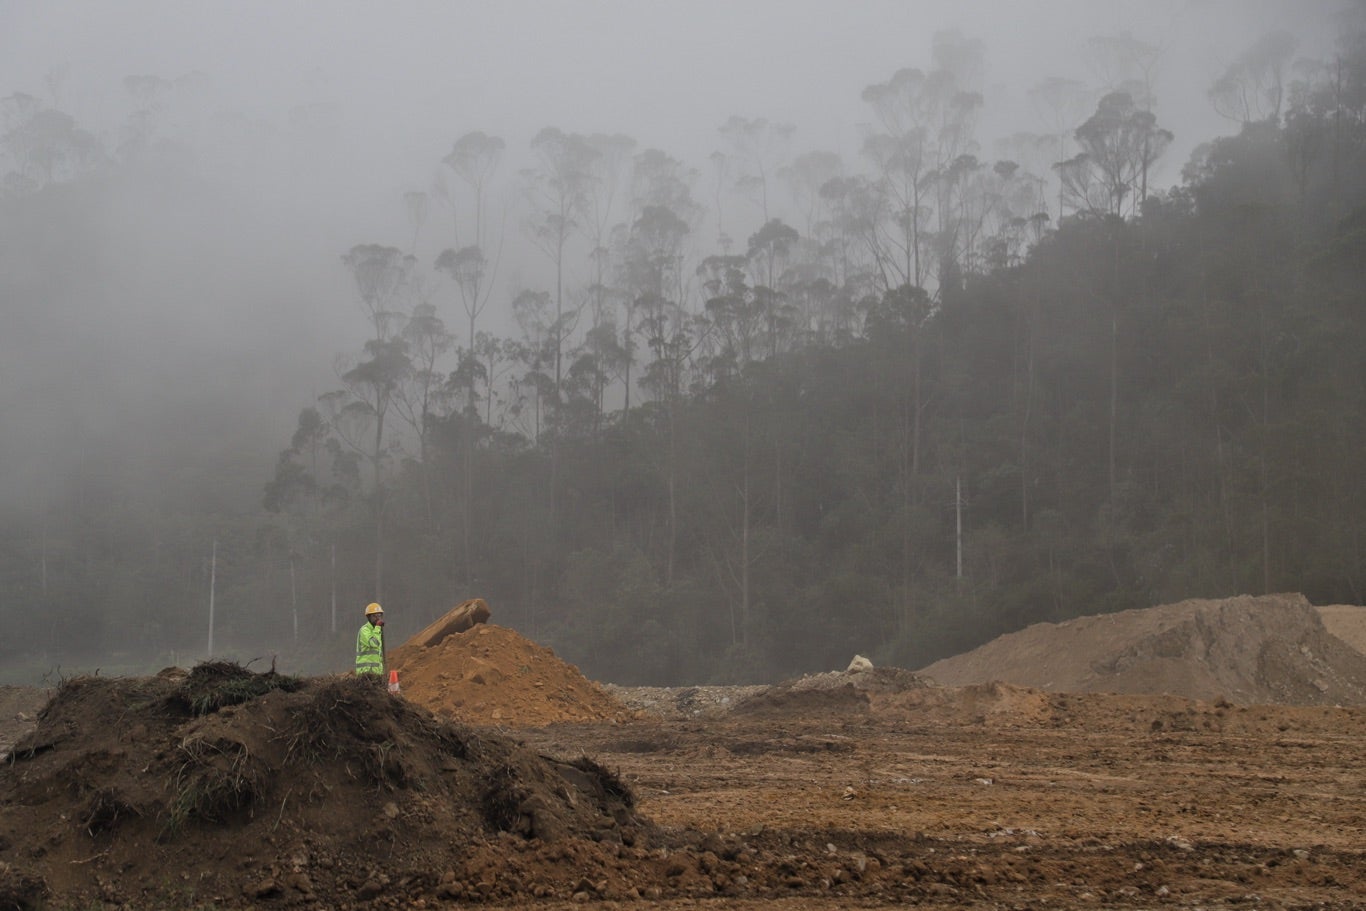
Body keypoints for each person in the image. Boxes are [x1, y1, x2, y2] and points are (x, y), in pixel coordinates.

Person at [355, 602, 385, 678]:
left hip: (377, 673)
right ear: (368, 617)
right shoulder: (364, 630)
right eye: (374, 616)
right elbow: (374, 643)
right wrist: (378, 627)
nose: (377, 618)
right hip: (365, 673)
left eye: (379, 615)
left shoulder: (377, 631)